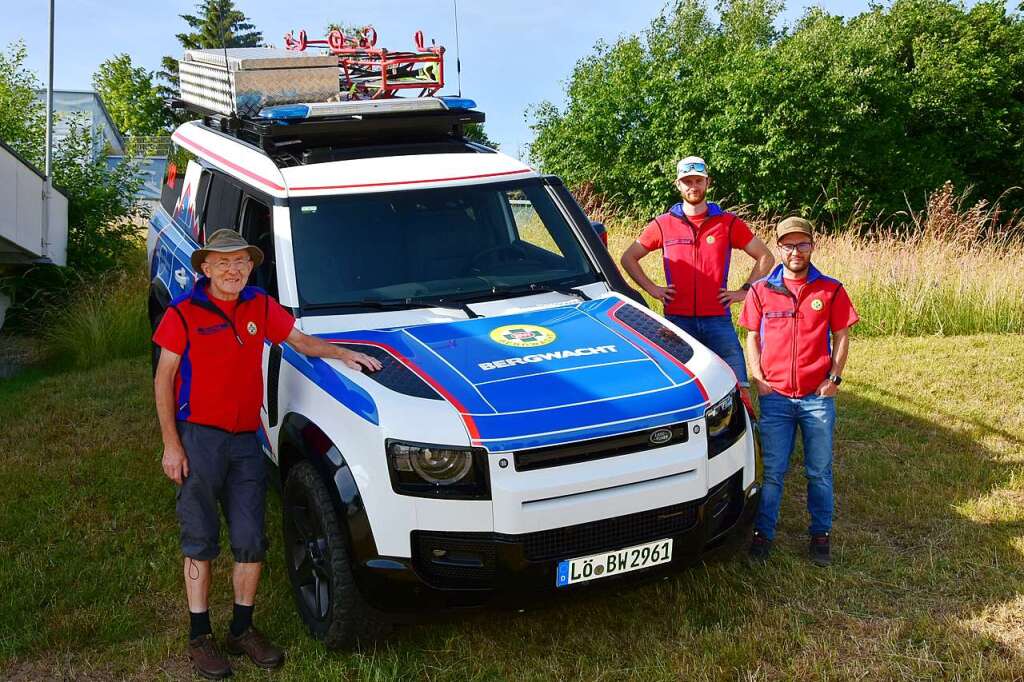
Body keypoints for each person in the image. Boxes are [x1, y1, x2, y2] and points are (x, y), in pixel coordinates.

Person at [153, 229, 381, 679]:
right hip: (198, 438)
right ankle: (200, 635)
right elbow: (163, 380)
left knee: (251, 539)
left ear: (250, 267)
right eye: (222, 263)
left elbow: (300, 342)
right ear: (205, 269)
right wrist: (171, 444)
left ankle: (242, 628)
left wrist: (344, 354)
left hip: (245, 440)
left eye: (240, 262)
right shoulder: (183, 314)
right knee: (200, 539)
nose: (232, 270)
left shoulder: (259, 305)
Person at [738, 217, 859, 567]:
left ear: (812, 246)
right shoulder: (761, 290)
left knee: (818, 470)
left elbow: (842, 335)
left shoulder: (830, 289)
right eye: (788, 245)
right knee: (773, 471)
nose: (795, 251)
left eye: (802, 244)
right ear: (779, 248)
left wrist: (833, 380)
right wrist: (758, 377)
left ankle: (820, 533)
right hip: (775, 397)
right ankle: (763, 534)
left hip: (815, 399)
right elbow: (751, 336)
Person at [620, 156, 774, 400]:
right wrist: (652, 288)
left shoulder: (728, 223)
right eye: (687, 181)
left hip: (717, 319)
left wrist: (745, 290)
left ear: (707, 182)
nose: (693, 186)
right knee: (681, 387)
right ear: (678, 185)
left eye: (698, 181)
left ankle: (746, 432)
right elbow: (628, 257)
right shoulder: (663, 224)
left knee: (739, 386)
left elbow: (765, 256)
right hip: (677, 321)